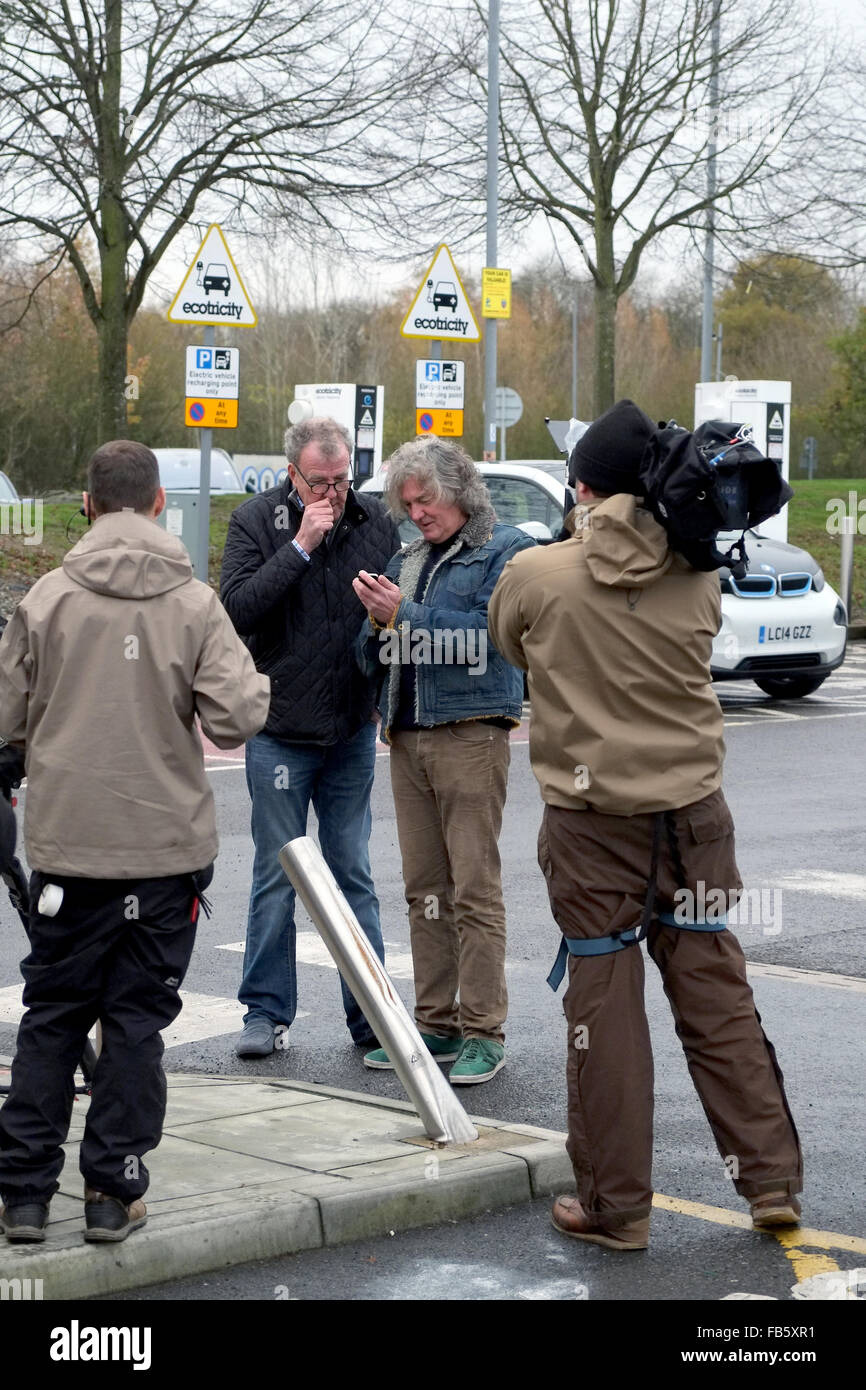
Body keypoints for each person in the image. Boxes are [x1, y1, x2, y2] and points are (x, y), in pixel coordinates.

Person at [487, 399, 802, 1248]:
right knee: (715, 993)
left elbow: (512, 648)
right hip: (695, 818)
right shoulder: (698, 575)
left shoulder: (536, 576)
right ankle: (770, 1181)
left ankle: (616, 1207)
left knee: (605, 1002)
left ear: (583, 490)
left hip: (594, 827)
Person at [0, 440, 269, 1244]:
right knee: (135, 1023)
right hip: (163, 853)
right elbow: (237, 716)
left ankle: (22, 1194)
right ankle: (113, 1190)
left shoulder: (46, 599)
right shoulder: (193, 602)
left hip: (68, 851)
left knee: (52, 1015)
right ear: (159, 504)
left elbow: (6, 721)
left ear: (87, 503)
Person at [353, 438, 534, 1085]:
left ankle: (484, 1030)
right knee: (423, 891)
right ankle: (435, 1023)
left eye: (424, 499)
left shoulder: (506, 551)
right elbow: (367, 653)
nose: (416, 513)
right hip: (407, 737)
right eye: (406, 503)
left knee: (473, 889)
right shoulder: (409, 557)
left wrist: (400, 614)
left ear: (459, 489)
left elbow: (483, 641)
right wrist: (374, 628)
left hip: (470, 735)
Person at [221, 417, 402, 1057]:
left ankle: (372, 1016)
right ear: (291, 472)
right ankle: (265, 1013)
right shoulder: (254, 522)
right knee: (279, 875)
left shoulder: (374, 522)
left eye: (342, 479)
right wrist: (299, 545)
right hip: (279, 731)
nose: (333, 494)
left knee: (353, 871)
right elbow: (238, 610)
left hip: (350, 729)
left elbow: (393, 621)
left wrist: (389, 621)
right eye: (320, 482)